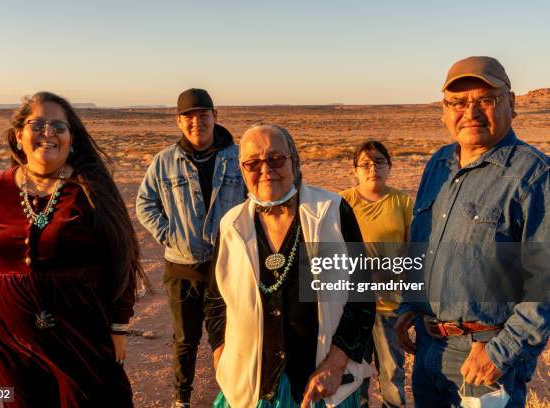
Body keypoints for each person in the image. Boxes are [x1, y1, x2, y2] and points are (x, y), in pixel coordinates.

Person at [395, 56, 549, 407]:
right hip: (428, 346)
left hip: (486, 355)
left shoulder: (534, 175)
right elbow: (423, 245)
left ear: (511, 103)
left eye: (486, 100)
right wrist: (410, 304)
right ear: (444, 110)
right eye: (458, 103)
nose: (471, 112)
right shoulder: (438, 164)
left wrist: (501, 353)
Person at [0, 91, 143, 407]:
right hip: (11, 327)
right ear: (18, 136)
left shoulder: (90, 189)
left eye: (59, 126)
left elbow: (122, 255)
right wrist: (16, 282)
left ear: (72, 138)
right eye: (37, 124)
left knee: (95, 398)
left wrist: (118, 325)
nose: (48, 132)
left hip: (81, 324)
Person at [205, 124, 376, 408]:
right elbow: (215, 300)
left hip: (322, 386)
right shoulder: (232, 226)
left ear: (294, 160)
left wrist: (335, 365)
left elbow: (362, 296)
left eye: (276, 158)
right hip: (250, 388)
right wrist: (220, 354)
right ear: (242, 170)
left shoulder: (331, 212)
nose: (265, 169)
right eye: (253, 163)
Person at [135, 88, 245, 408]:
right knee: (186, 338)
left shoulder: (237, 157)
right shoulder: (165, 161)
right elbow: (145, 204)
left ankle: (232, 393)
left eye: (202, 114)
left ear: (215, 116)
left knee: (227, 336)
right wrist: (170, 234)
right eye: (189, 116)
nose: (196, 122)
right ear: (179, 121)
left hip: (228, 264)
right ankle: (181, 397)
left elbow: (254, 201)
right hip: (183, 265)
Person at [340, 141, 412, 408]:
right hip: (350, 305)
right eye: (366, 164)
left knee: (391, 371)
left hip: (390, 305)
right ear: (355, 170)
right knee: (352, 372)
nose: (373, 169)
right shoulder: (342, 201)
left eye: (380, 162)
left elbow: (413, 253)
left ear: (390, 166)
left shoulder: (403, 202)